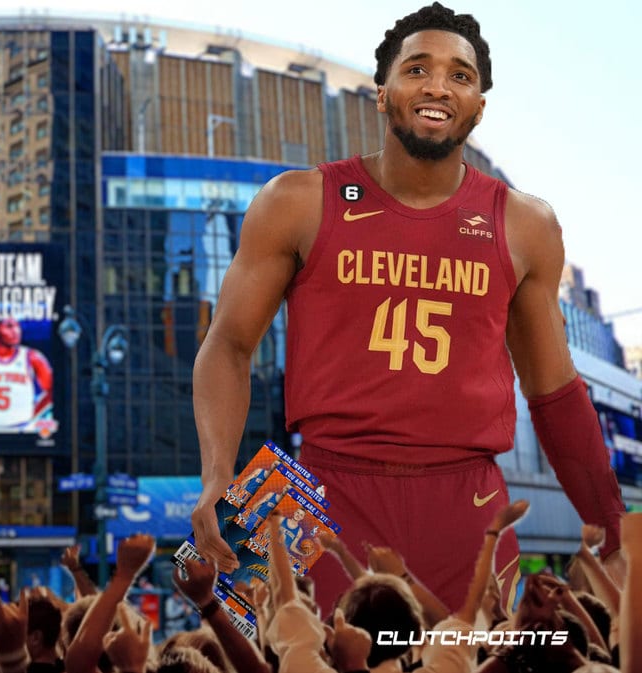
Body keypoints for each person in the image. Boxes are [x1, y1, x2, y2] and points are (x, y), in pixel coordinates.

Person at [189, 2, 625, 615]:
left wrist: (609, 521)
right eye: (417, 68)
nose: (438, 86)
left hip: (469, 503)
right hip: (323, 489)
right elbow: (228, 345)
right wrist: (216, 475)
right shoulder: (298, 200)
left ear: (478, 105)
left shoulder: (526, 224)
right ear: (382, 92)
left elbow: (554, 391)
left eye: (460, 76)